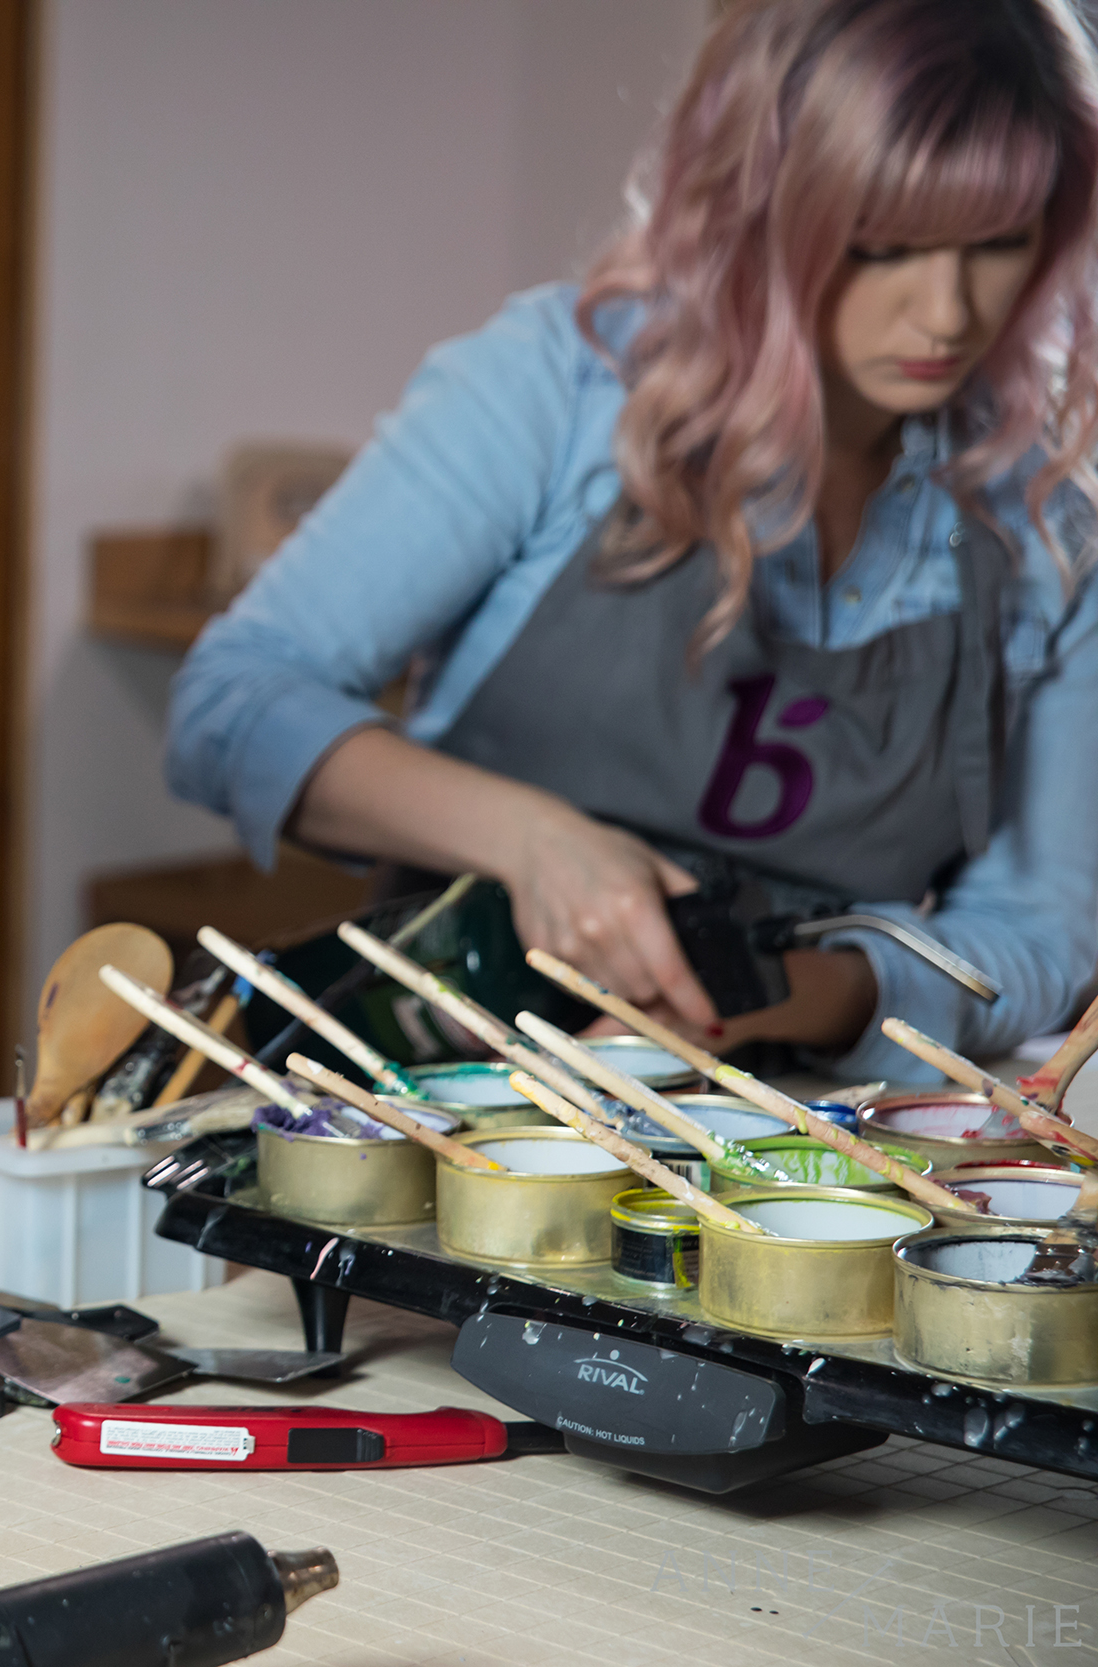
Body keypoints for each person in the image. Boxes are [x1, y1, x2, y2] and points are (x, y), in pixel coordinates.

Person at [170, 0, 1098, 1082]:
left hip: (785, 1133)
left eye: (997, 242)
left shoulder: (1042, 536)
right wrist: (535, 842)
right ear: (761, 204)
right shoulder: (555, 392)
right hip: (437, 1094)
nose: (944, 312)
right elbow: (227, 705)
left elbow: (1043, 932)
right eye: (878, 245)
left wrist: (792, 993)